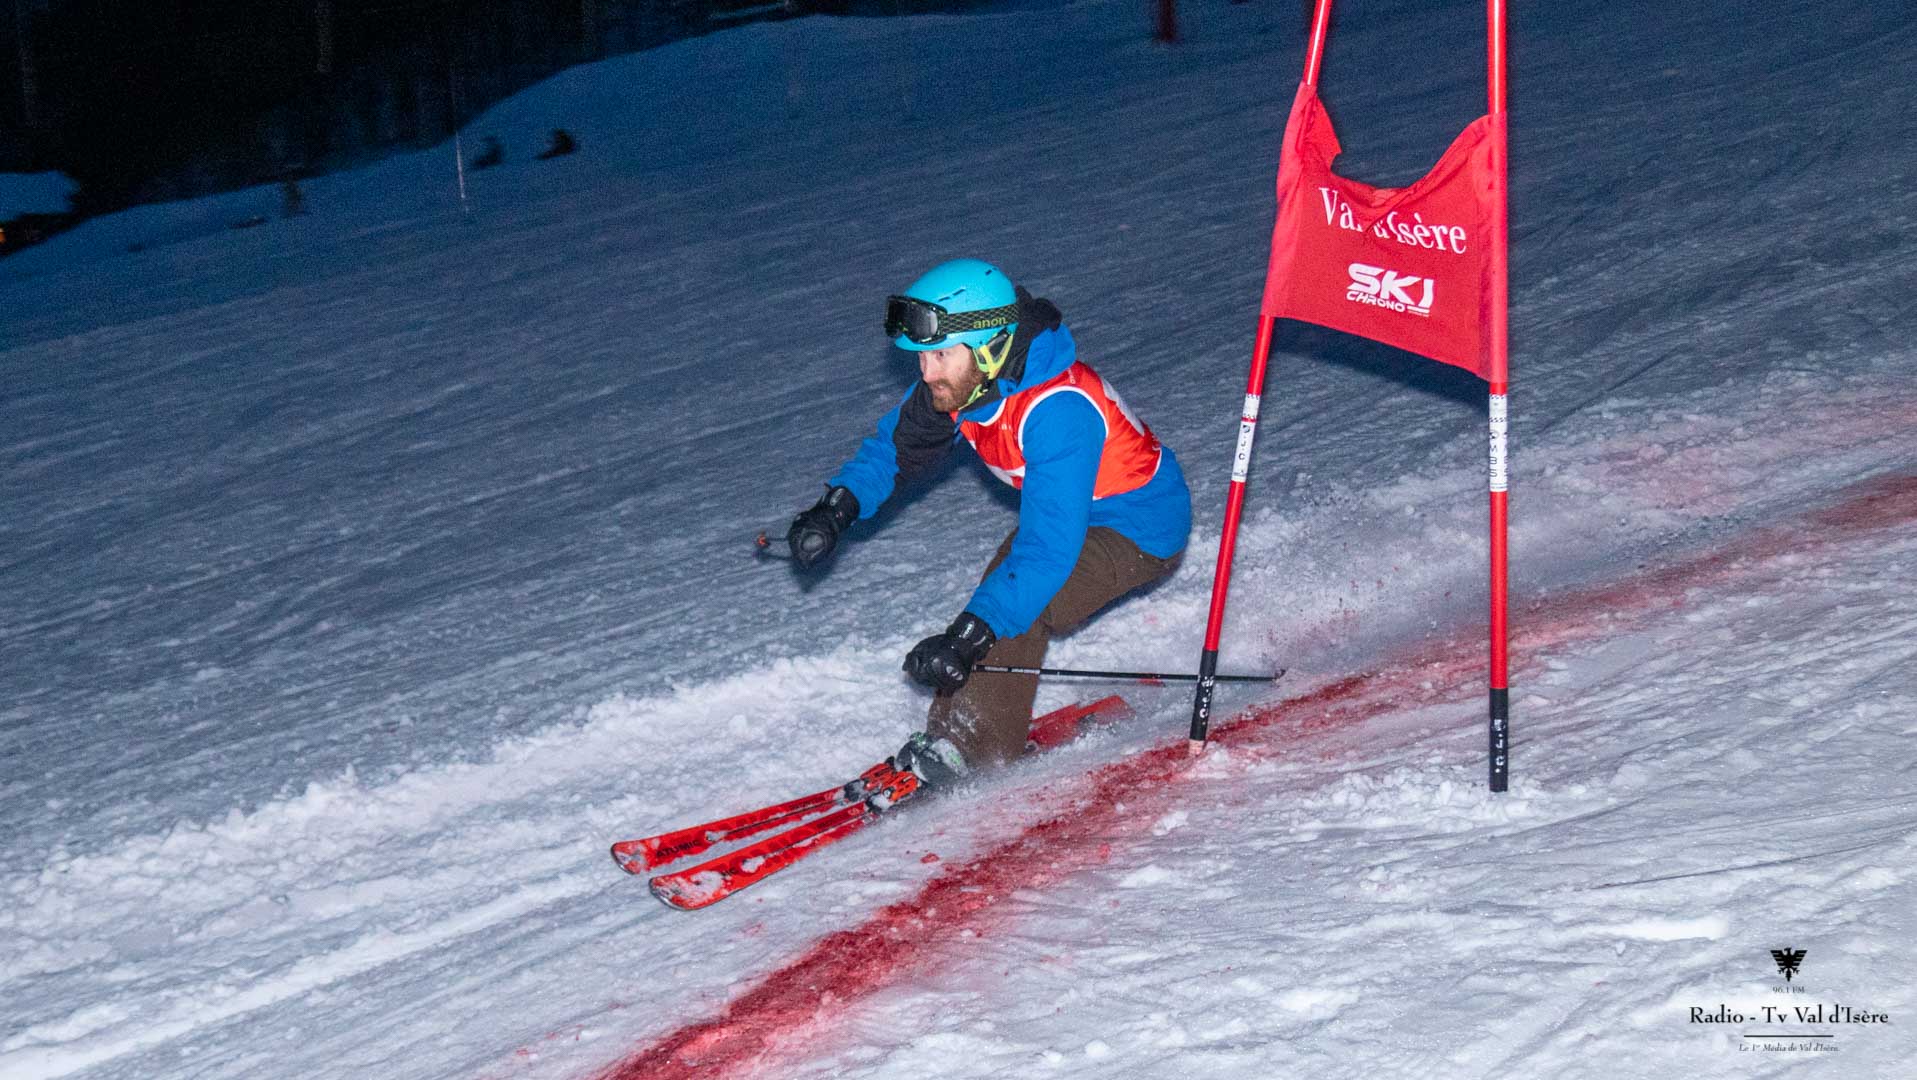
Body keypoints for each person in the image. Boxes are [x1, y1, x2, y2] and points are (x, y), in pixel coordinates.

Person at [787, 259, 1191, 793]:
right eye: (922, 356)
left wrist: (968, 638)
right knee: (1009, 583)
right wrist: (837, 508)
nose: (927, 372)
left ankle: (970, 748)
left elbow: (1046, 551)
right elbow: (893, 450)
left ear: (991, 346)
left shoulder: (1058, 410)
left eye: (940, 355)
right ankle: (967, 729)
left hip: (1141, 529)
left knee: (1021, 599)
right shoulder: (966, 385)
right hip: (1074, 516)